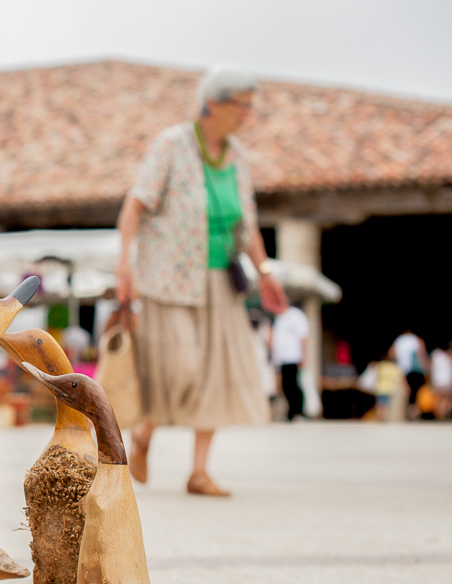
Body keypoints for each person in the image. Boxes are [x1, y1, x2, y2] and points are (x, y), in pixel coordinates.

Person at [116, 63, 287, 497]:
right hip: (169, 278)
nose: (248, 114)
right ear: (213, 103)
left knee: (217, 374)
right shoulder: (172, 144)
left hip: (220, 281)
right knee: (182, 368)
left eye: (251, 107)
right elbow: (136, 205)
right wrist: (125, 266)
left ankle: (198, 471)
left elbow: (245, 224)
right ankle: (143, 437)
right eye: (241, 106)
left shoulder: (238, 157)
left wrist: (265, 272)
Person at [272, 303, 310, 421]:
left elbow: (302, 336)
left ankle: (298, 411)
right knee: (286, 385)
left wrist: (303, 355)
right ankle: (291, 411)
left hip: (293, 356)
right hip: (282, 358)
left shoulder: (295, 315)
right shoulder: (278, 318)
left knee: (294, 384)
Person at [389, 329, 428, 420]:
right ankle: (413, 415)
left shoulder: (399, 339)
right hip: (415, 370)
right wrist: (425, 369)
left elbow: (392, 354)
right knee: (415, 395)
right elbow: (421, 354)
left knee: (405, 393)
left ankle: (405, 414)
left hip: (403, 370)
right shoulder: (416, 339)